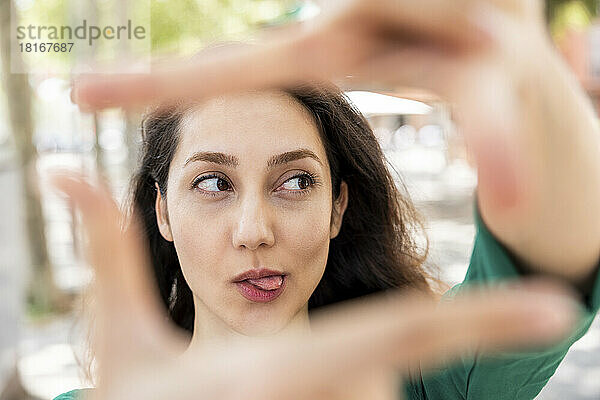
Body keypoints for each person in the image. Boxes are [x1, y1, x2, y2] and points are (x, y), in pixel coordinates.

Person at [54, 0, 600, 398]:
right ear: (164, 212)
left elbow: (551, 264)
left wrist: (530, 75)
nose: (254, 231)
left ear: (337, 207)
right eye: (213, 184)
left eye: (294, 181)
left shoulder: (430, 378)